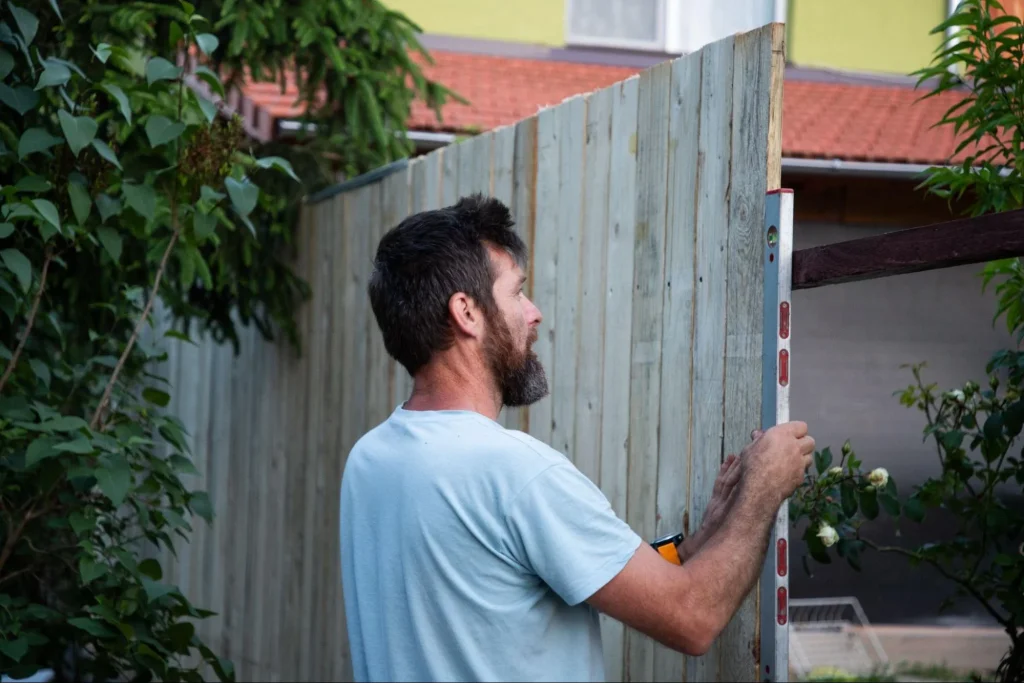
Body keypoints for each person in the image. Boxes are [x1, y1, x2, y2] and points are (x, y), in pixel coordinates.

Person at [339, 194, 815, 682]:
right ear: (467, 312)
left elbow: (506, 586)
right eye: (516, 293)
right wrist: (762, 487)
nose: (534, 312)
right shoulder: (515, 473)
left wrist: (700, 545)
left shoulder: (369, 460)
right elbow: (692, 619)